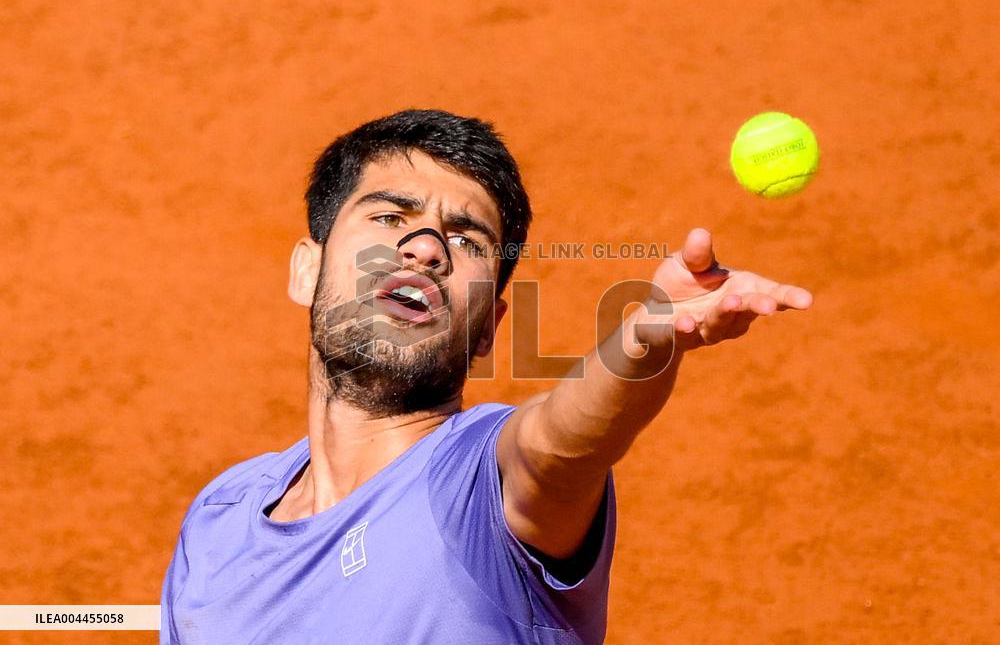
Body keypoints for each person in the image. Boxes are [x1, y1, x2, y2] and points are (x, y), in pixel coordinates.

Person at [159, 109, 812, 644]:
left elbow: (560, 442)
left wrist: (641, 344)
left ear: (489, 326)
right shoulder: (220, 520)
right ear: (307, 268)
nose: (424, 246)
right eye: (390, 216)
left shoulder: (481, 486)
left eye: (467, 240)